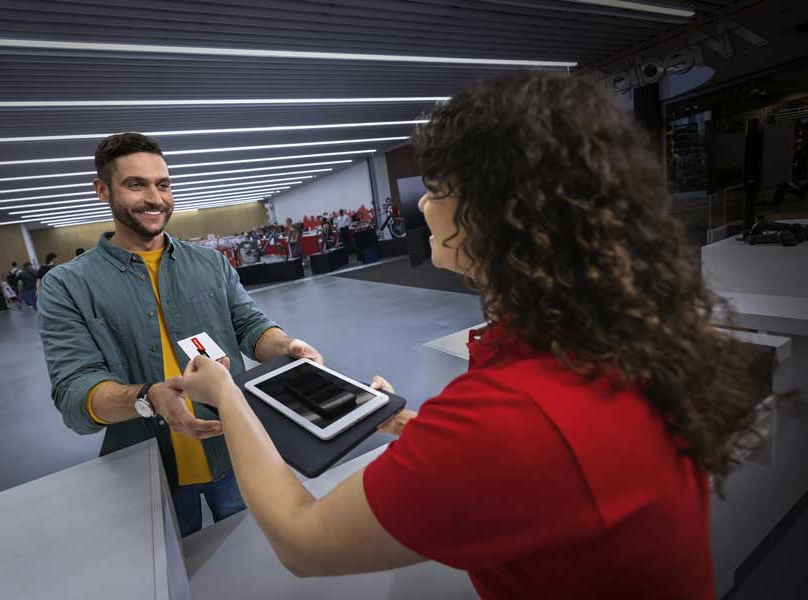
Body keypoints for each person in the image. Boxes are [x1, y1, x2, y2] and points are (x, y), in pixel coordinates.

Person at [178, 73, 760, 599]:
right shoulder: (607, 340)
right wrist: (413, 429)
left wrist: (227, 394)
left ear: (493, 213)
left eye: (437, 188)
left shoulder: (511, 416)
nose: (424, 204)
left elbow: (302, 540)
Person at [37, 132, 323, 537]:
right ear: (102, 190)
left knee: (254, 554)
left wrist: (288, 346)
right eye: (135, 184)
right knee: (174, 568)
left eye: (163, 184)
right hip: (149, 471)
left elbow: (249, 325)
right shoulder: (67, 285)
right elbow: (74, 390)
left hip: (234, 450)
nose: (155, 198)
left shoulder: (210, 263)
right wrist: (148, 398)